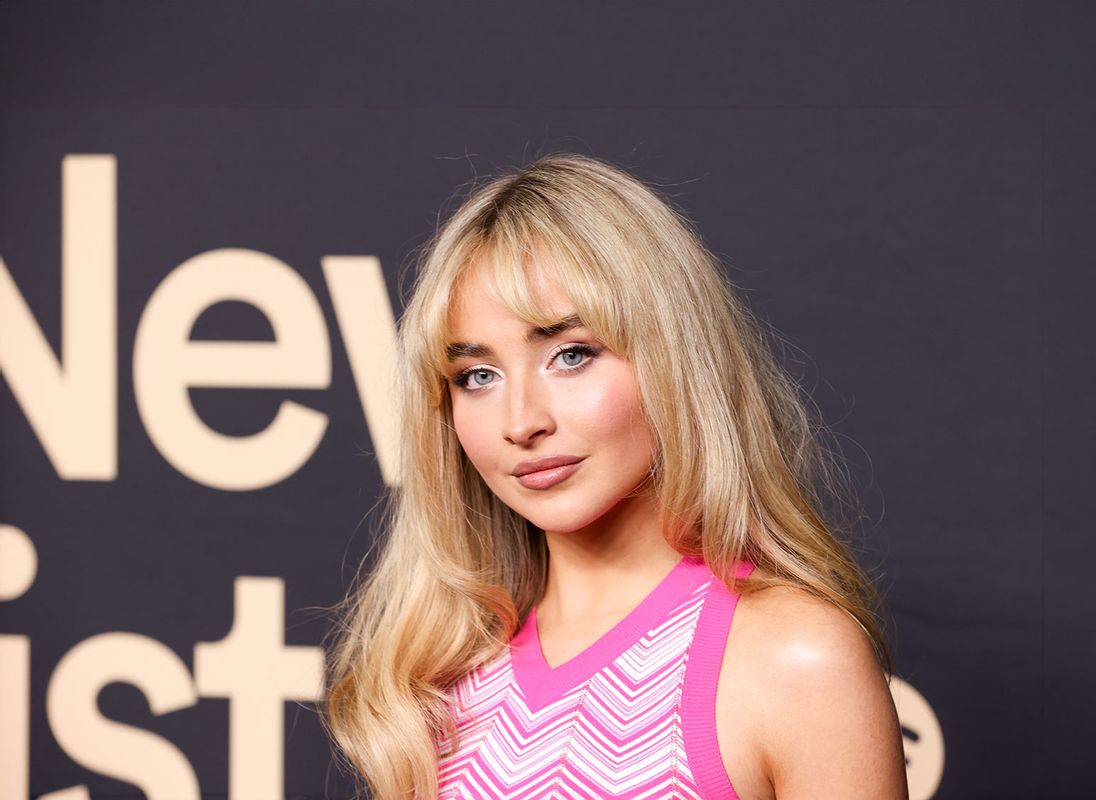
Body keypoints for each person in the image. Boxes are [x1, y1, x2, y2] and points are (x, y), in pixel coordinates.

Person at [322, 153, 908, 799]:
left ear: (675, 358)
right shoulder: (445, 671)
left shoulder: (793, 658)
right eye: (477, 376)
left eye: (572, 355)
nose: (521, 422)